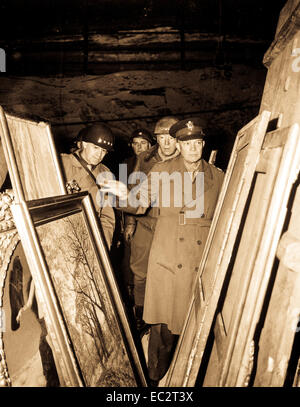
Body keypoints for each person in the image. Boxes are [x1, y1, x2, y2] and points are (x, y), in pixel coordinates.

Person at [101, 117, 224, 386]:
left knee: (196, 329)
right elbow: (139, 202)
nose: (193, 148)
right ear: (178, 146)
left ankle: (188, 380)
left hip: (201, 262)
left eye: (198, 143)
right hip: (169, 259)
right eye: (187, 143)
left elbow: (227, 216)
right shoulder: (160, 171)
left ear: (203, 145)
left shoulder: (218, 176)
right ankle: (154, 381)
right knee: (163, 333)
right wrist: (122, 194)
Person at [128, 116, 180, 332]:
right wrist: (130, 222)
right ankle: (140, 314)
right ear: (156, 138)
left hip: (172, 227)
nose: (166, 143)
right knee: (139, 271)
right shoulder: (144, 158)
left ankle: (165, 317)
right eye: (161, 138)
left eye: (171, 138)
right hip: (146, 223)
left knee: (169, 272)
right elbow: (133, 189)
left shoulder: (188, 156)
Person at [60, 123, 115, 249]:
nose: (99, 155)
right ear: (84, 144)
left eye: (103, 151)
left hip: (91, 235)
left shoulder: (106, 174)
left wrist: (104, 246)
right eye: (95, 148)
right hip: (63, 232)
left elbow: (107, 216)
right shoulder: (63, 163)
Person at [120, 128, 153, 306]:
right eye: (135, 143)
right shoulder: (126, 164)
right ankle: (132, 297)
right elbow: (125, 196)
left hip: (151, 217)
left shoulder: (155, 163)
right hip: (133, 216)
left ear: (150, 145)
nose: (139, 147)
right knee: (130, 256)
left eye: (143, 143)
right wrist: (129, 222)